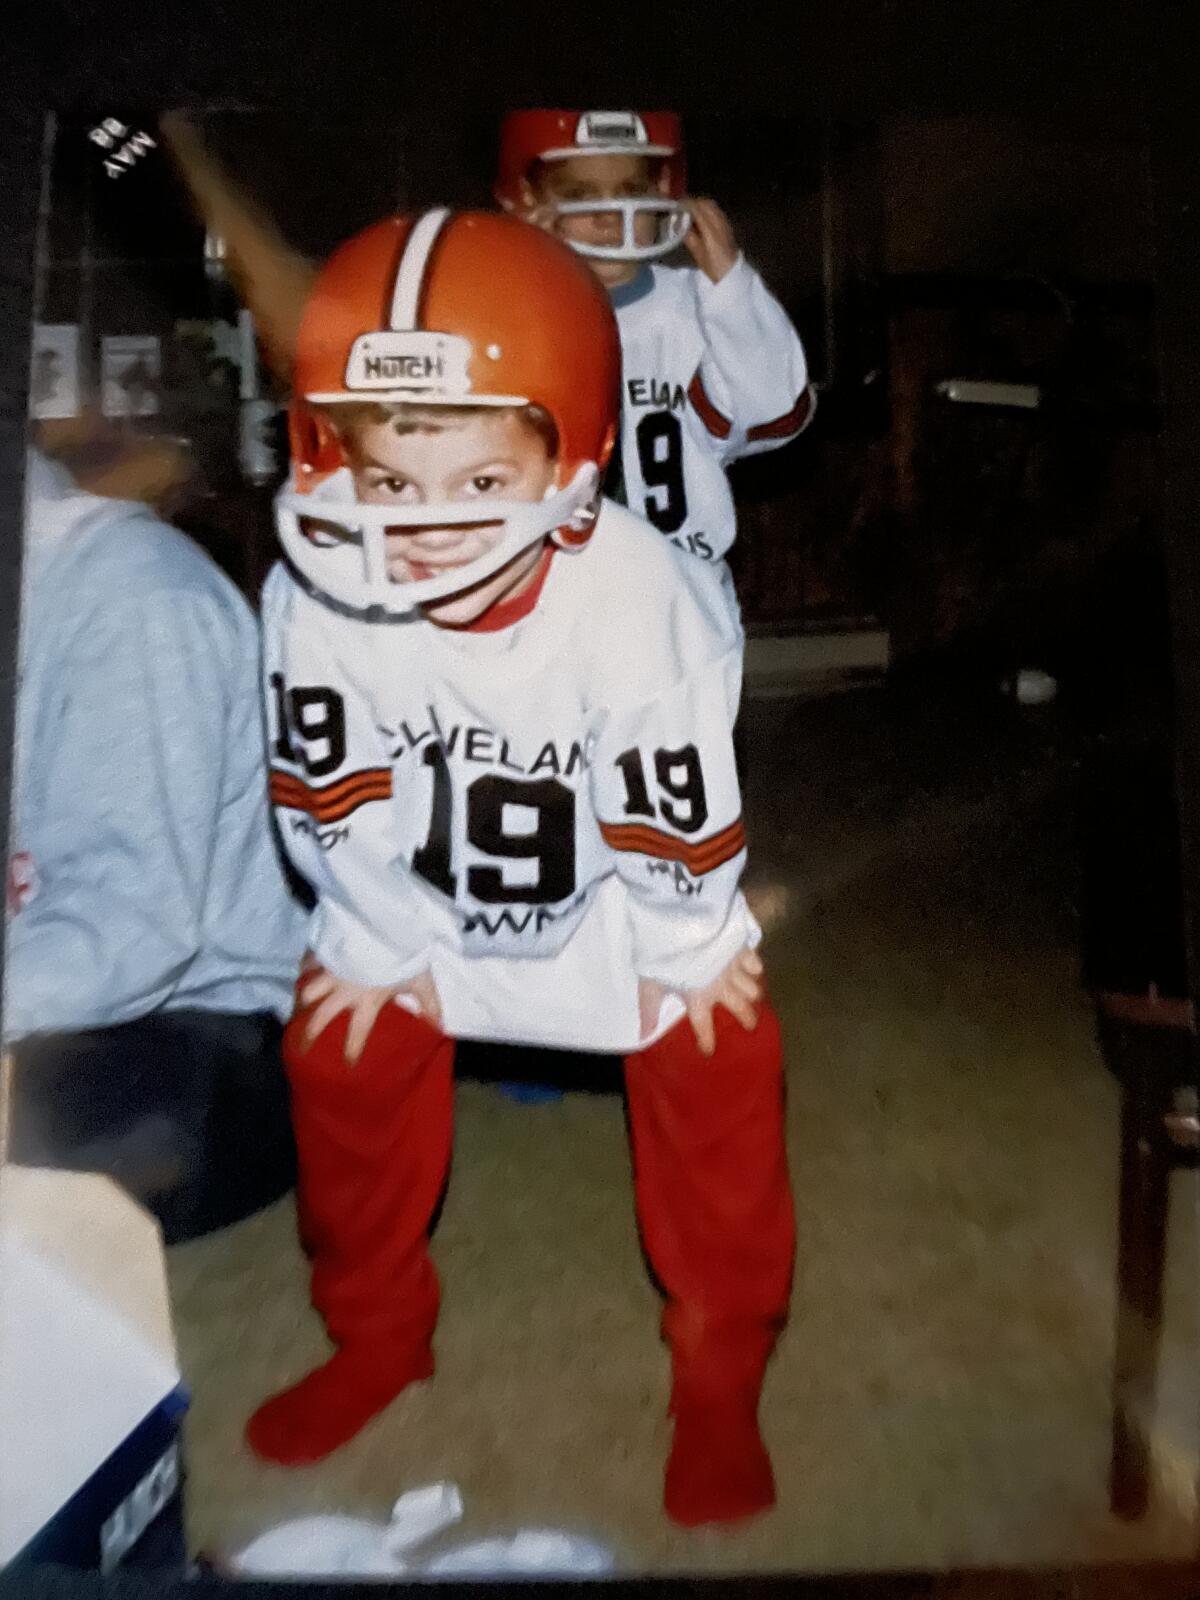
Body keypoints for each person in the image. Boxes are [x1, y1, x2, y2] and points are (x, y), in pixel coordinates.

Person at [249, 209, 796, 1529]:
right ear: (335, 456)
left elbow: (672, 832)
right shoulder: (318, 591)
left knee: (721, 1049)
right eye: (389, 480)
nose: (423, 529)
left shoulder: (636, 596)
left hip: (610, 905)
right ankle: (377, 1335)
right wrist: (378, 949)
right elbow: (330, 802)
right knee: (335, 1039)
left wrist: (686, 951)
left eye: (479, 482)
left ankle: (719, 1371)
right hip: (419, 905)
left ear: (573, 459)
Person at [4, 444, 307, 1244]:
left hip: (200, 1030)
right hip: (51, 997)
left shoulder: (134, 598)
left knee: (62, 1138)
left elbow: (130, 933)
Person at [496, 109, 815, 602]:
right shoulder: (504, 314)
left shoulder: (698, 306)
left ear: (663, 191)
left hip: (679, 591)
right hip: (548, 595)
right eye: (581, 195)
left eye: (629, 192)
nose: (609, 219)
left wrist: (731, 289)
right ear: (530, 200)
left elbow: (776, 412)